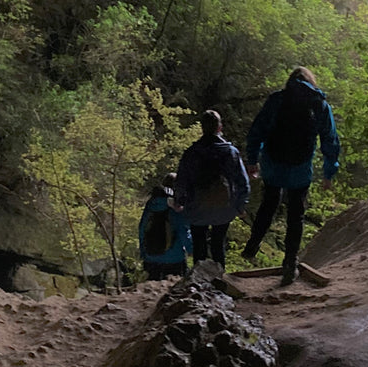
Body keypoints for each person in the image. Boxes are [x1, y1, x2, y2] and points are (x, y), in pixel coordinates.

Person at [242, 67, 341, 285]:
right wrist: (329, 171)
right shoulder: (319, 103)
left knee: (268, 204)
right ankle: (289, 264)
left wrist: (252, 160)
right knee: (296, 216)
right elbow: (330, 140)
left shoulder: (277, 99)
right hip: (300, 168)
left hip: (273, 164)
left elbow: (258, 130)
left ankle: (252, 244)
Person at [173, 110, 250, 268]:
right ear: (219, 127)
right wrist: (240, 206)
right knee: (218, 245)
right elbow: (243, 182)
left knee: (199, 247)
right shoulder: (230, 152)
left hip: (196, 208)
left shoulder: (191, 153)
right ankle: (219, 281)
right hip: (224, 209)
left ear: (202, 127)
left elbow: (181, 181)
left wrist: (180, 201)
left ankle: (197, 284)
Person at [137, 172, 191, 280]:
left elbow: (142, 229)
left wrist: (143, 252)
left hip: (150, 257)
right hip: (174, 259)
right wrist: (193, 251)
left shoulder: (151, 204)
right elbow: (183, 232)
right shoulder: (177, 208)